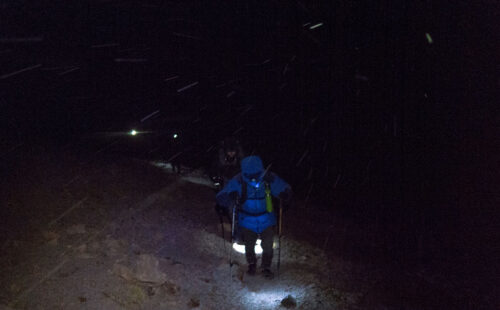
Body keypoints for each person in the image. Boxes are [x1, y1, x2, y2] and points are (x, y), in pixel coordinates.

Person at [216, 155, 292, 279]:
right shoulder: (239, 180)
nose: (253, 178)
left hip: (266, 218)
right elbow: (222, 195)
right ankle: (252, 263)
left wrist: (285, 194)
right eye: (250, 175)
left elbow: (284, 187)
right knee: (249, 244)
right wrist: (229, 197)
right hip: (247, 220)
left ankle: (266, 267)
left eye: (256, 174)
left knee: (268, 245)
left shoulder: (268, 178)